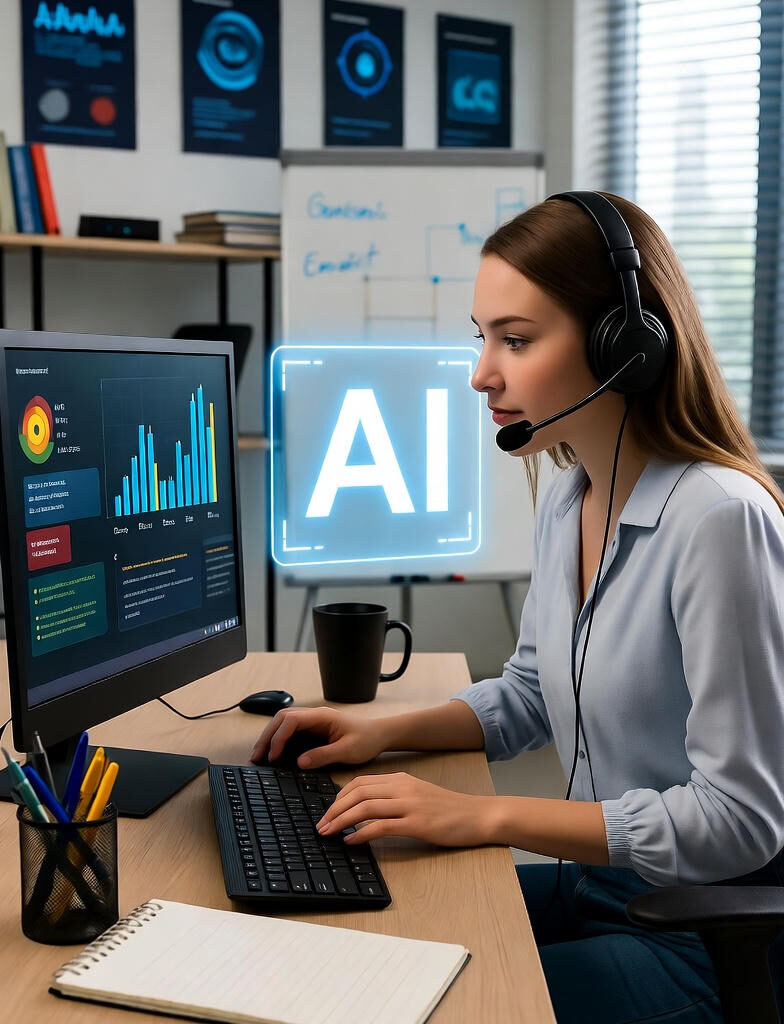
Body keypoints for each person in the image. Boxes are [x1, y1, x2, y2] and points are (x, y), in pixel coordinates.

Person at [250, 192, 784, 1024]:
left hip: (698, 938)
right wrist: (382, 730)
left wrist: (483, 816)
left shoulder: (719, 520)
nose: (481, 373)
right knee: (359, 947)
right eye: (482, 336)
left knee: (412, 1008)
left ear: (624, 347)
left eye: (517, 340)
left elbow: (739, 821)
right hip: (598, 886)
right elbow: (535, 691)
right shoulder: (572, 493)